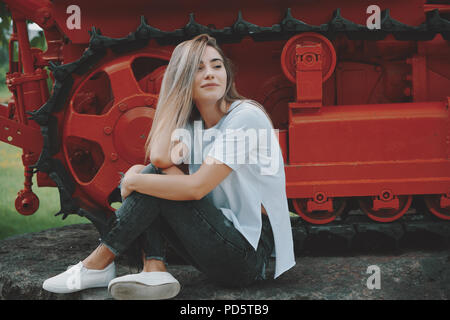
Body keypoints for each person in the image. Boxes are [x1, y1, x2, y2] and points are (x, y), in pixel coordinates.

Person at [42, 34, 295, 300]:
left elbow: (197, 188)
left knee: (147, 177)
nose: (210, 74)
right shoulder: (197, 123)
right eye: (197, 69)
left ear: (227, 74)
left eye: (216, 65)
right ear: (181, 79)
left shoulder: (246, 117)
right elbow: (161, 158)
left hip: (251, 255)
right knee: (154, 174)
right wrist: (174, 96)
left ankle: (99, 263)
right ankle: (153, 268)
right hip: (223, 239)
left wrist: (132, 180)